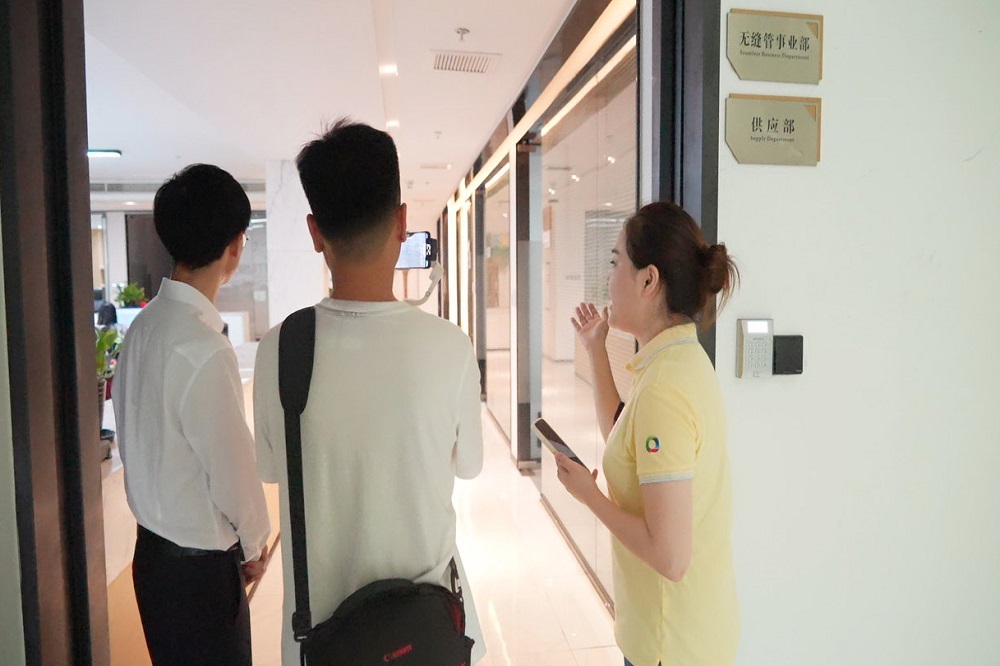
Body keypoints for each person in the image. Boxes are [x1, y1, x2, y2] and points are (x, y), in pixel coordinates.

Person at [252, 119, 485, 665]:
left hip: (323, 643)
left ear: (315, 232)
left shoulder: (280, 349)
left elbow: (271, 468)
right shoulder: (449, 347)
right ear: (402, 222)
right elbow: (469, 466)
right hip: (430, 636)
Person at [555, 201, 741, 666]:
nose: (607, 280)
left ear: (648, 280)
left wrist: (590, 498)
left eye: (615, 262)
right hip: (684, 633)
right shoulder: (678, 361)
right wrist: (596, 350)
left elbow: (670, 557)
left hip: (671, 645)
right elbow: (626, 441)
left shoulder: (664, 388)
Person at [112, 164, 271, 665]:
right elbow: (233, 469)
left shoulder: (142, 328)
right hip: (199, 577)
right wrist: (255, 544)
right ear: (235, 247)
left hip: (150, 560)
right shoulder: (202, 346)